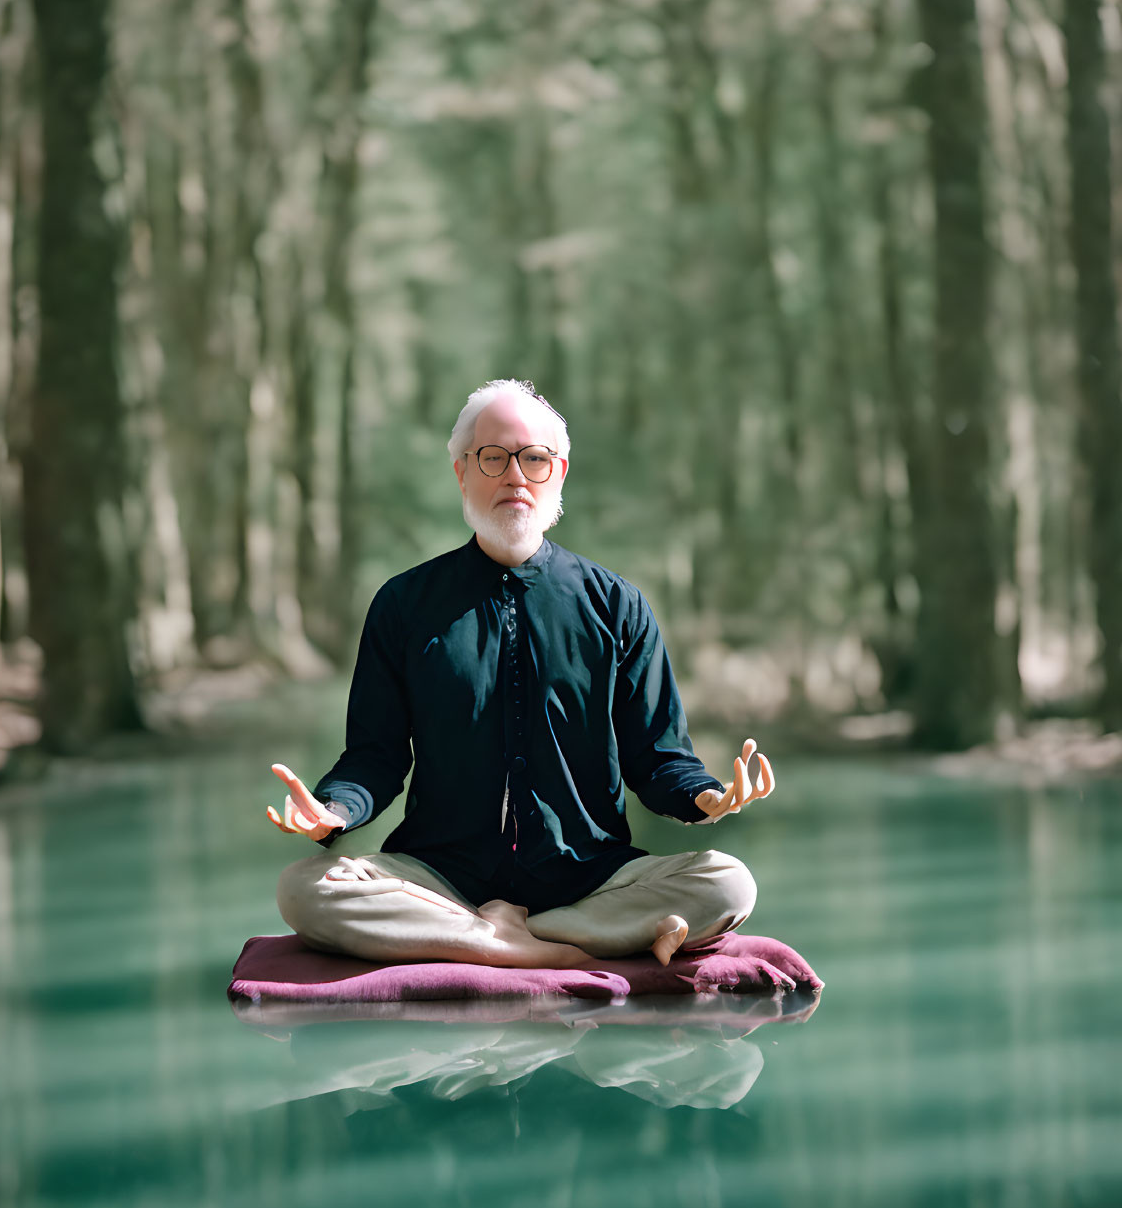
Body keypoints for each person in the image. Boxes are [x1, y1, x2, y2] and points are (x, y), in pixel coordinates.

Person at [268, 379, 774, 969]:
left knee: (729, 883)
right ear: (462, 472)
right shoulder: (403, 605)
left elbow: (659, 760)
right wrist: (333, 811)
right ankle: (565, 948)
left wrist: (708, 796)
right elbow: (374, 758)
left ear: (557, 474)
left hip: (589, 875)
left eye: (533, 459)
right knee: (305, 889)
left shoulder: (618, 606)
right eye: (494, 458)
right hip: (439, 876)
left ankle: (493, 942)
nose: (515, 476)